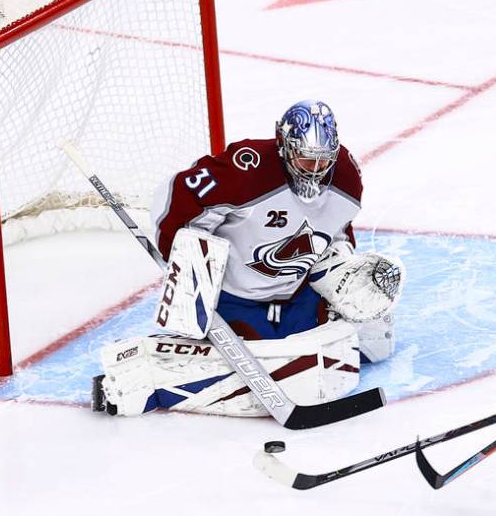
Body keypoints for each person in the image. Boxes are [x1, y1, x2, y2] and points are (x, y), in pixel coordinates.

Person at [92, 99, 403, 418]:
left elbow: (337, 232)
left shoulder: (346, 177)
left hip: (297, 297)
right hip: (233, 302)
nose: (315, 171)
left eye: (323, 161)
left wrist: (341, 270)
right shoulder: (247, 169)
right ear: (284, 145)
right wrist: (190, 264)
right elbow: (176, 199)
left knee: (376, 340)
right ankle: (143, 375)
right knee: (294, 372)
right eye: (306, 160)